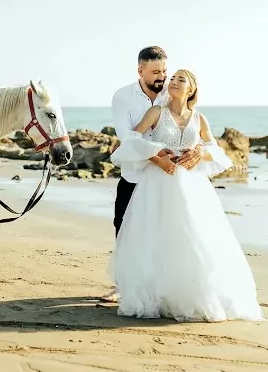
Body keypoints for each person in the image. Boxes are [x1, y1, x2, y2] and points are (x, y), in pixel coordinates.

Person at [108, 69, 264, 322]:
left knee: (195, 233)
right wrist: (158, 157)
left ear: (191, 89)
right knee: (158, 234)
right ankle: (158, 294)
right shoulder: (156, 113)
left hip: (192, 186)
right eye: (173, 78)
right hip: (159, 182)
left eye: (181, 79)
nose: (174, 82)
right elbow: (132, 140)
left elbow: (215, 149)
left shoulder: (200, 119)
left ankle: (195, 293)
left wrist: (202, 154)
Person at [99, 46, 202, 303]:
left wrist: (198, 151)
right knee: (124, 227)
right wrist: (157, 159)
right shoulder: (123, 96)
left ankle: (159, 285)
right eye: (156, 71)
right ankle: (123, 285)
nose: (163, 76)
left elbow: (190, 125)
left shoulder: (173, 90)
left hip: (167, 181)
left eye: (165, 70)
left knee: (164, 231)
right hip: (135, 174)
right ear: (140, 70)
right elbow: (126, 137)